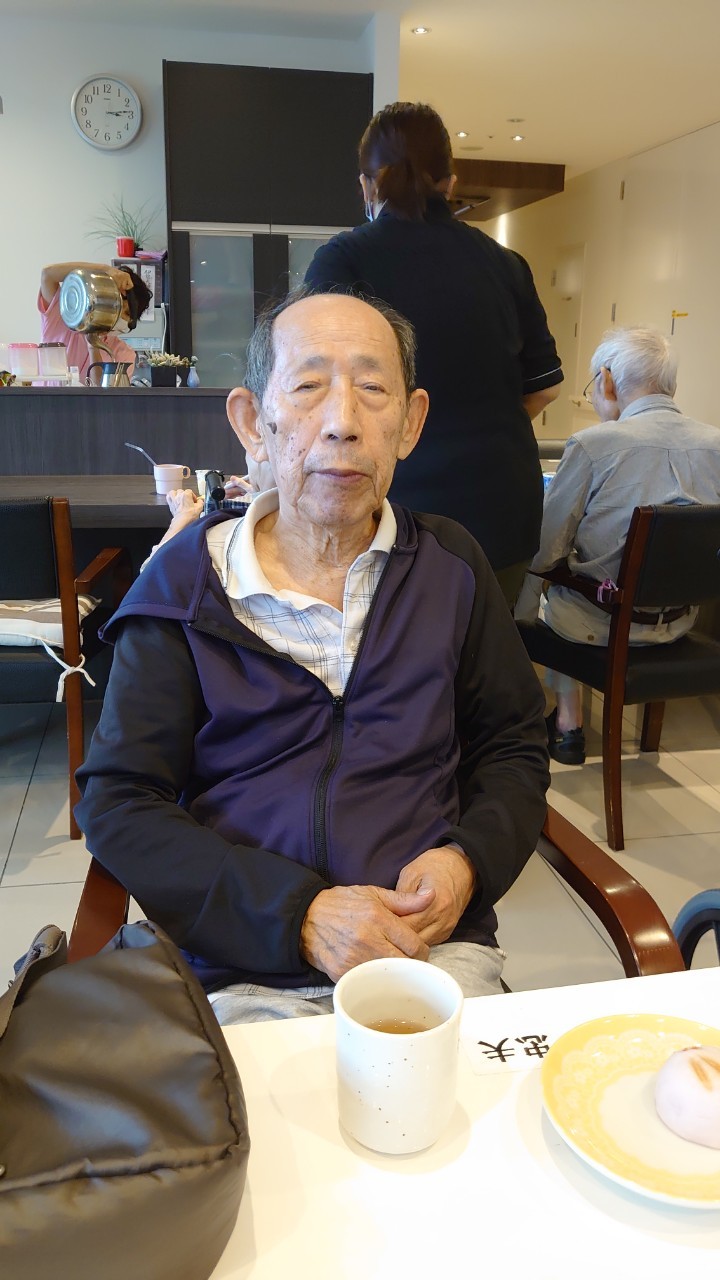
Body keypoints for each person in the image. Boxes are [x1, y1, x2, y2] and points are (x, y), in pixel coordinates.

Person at [76, 290, 550, 1024]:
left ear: (410, 422)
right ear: (252, 422)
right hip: (239, 966)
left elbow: (513, 746)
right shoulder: (184, 585)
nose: (342, 423)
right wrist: (298, 915)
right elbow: (120, 800)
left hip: (425, 954)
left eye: (372, 389)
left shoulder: (451, 567)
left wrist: (468, 861)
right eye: (307, 387)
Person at [305, 101, 563, 606]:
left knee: (390, 649)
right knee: (485, 648)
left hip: (396, 508)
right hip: (503, 508)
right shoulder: (506, 264)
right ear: (451, 182)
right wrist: (481, 421)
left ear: (367, 186)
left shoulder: (343, 260)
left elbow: (318, 387)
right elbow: (546, 386)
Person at [514, 326, 720, 765]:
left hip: (599, 625)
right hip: (680, 621)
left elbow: (546, 550)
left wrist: (524, 611)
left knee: (545, 591)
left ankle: (568, 724)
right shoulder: (716, 445)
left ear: (607, 380)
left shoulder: (593, 445)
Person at [39, 261, 153, 383]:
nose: (118, 315)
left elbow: (101, 393)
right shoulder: (65, 314)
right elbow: (48, 274)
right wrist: (105, 270)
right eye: (115, 305)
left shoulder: (124, 354)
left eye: (126, 313)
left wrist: (94, 346)